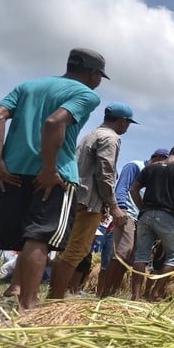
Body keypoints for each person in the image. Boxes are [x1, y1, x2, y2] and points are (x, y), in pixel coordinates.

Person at [0, 48, 106, 312]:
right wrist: (49, 168)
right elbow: (55, 123)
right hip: (53, 178)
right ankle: (27, 307)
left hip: (12, 173)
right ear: (94, 73)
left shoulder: (28, 86)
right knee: (39, 237)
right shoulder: (85, 94)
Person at [48, 102, 136, 299]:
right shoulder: (110, 138)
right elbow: (105, 173)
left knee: (67, 248)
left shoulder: (91, 135)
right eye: (127, 123)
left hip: (76, 195)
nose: (127, 127)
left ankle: (55, 292)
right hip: (90, 200)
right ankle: (56, 296)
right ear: (122, 121)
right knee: (76, 249)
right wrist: (113, 206)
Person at [97, 148, 169, 297]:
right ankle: (106, 294)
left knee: (131, 258)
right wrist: (120, 208)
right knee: (122, 253)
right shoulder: (135, 166)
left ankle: (113, 294)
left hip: (141, 219)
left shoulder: (153, 175)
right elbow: (122, 187)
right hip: (127, 214)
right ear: (159, 158)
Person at [129, 144, 174, 301]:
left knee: (141, 256)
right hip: (167, 216)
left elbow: (133, 189)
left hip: (145, 216)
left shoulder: (151, 168)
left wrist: (142, 208)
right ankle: (155, 294)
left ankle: (135, 297)